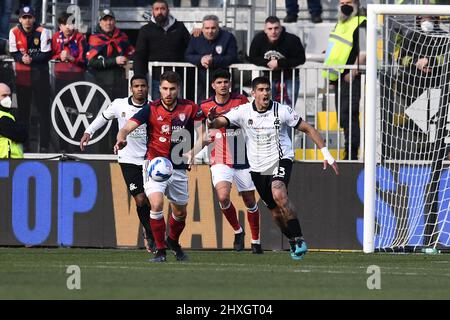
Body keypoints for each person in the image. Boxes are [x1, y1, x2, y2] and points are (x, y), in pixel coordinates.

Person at [207, 77, 339, 260]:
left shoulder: (282, 110)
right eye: (261, 90)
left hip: (280, 159)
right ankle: (292, 240)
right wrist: (211, 120)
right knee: (275, 211)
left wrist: (326, 153)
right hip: (257, 167)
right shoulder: (243, 111)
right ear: (253, 93)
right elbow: (218, 123)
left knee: (279, 193)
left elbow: (308, 128)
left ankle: (299, 239)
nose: (265, 93)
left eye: (268, 89)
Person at [115, 71, 204, 263]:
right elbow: (126, 127)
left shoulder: (190, 107)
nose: (168, 92)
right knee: (155, 204)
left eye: (172, 89)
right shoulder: (150, 108)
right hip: (155, 164)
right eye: (165, 89)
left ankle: (173, 241)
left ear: (178, 89)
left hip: (179, 167)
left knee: (180, 213)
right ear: (159, 89)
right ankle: (160, 251)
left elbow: (203, 134)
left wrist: (193, 152)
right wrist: (121, 138)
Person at [80, 75, 156, 254]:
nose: (140, 89)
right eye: (136, 86)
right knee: (140, 198)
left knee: (152, 200)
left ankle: (149, 229)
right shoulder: (119, 104)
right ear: (131, 89)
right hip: (128, 159)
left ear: (147, 88)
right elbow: (103, 117)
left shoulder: (153, 107)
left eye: (143, 86)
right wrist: (88, 131)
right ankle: (151, 234)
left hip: (149, 159)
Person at [189, 69, 263, 254]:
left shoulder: (242, 101)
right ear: (213, 85)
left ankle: (256, 241)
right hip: (219, 157)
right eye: (219, 82)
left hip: (242, 158)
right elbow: (202, 133)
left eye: (226, 82)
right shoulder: (205, 106)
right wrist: (193, 152)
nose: (223, 85)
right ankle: (238, 231)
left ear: (230, 83)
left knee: (249, 200)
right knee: (223, 197)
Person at [322, 0, 366, 160]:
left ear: (356, 3)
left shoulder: (362, 22)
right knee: (343, 116)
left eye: (348, 2)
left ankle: (352, 153)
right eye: (341, 2)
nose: (344, 5)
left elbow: (364, 51)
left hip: (350, 78)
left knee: (350, 114)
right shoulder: (340, 22)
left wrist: (353, 72)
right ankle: (348, 150)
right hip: (338, 78)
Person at [9, 6, 52, 153]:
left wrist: (30, 59)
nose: (27, 20)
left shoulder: (43, 31)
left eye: (30, 17)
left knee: (43, 112)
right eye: (24, 17)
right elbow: (14, 52)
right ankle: (24, 145)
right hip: (22, 78)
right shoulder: (13, 32)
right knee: (23, 114)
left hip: (41, 78)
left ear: (34, 18)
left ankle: (45, 146)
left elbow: (46, 53)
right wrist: (22, 58)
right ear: (20, 19)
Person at [133, 0, 190, 99]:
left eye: (163, 9)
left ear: (168, 10)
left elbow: (190, 49)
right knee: (157, 109)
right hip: (155, 79)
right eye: (157, 9)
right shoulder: (145, 30)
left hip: (177, 79)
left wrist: (198, 34)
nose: (159, 12)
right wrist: (139, 77)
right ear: (152, 11)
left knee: (179, 109)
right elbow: (140, 55)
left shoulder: (180, 28)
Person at [249, 16, 305, 108]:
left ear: (281, 28)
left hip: (290, 78)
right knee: (269, 108)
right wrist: (267, 62)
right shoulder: (259, 39)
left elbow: (301, 59)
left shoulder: (292, 39)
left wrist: (279, 63)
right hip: (269, 78)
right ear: (265, 30)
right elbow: (252, 57)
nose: (273, 31)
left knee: (288, 109)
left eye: (276, 28)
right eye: (270, 29)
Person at [185, 15, 238, 102]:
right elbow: (187, 55)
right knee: (202, 108)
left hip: (222, 82)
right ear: (202, 28)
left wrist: (213, 61)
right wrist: (200, 59)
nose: (210, 31)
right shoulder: (196, 37)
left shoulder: (228, 37)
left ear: (218, 27)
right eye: (207, 28)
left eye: (213, 28)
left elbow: (232, 57)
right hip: (201, 83)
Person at [87, 9, 135, 101]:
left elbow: (132, 53)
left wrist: (127, 60)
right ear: (100, 22)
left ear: (115, 21)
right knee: (104, 112)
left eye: (111, 20)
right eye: (105, 20)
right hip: (102, 84)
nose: (108, 23)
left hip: (121, 83)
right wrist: (115, 61)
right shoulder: (95, 38)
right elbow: (91, 62)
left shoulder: (122, 36)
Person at [0, 83, 28, 159]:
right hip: (4, 164)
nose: (8, 98)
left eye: (9, 95)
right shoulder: (3, 118)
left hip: (14, 165)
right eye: (4, 95)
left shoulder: (10, 116)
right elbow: (21, 135)